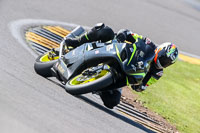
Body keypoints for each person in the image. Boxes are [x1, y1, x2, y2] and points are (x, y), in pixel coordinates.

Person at [64, 23, 179, 108]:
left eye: (167, 63)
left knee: (112, 102)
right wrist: (121, 37)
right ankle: (77, 41)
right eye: (164, 59)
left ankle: (96, 84)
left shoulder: (157, 73)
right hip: (119, 54)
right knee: (105, 30)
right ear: (160, 51)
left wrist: (140, 86)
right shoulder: (148, 44)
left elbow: (141, 86)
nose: (164, 63)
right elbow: (128, 33)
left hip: (124, 74)